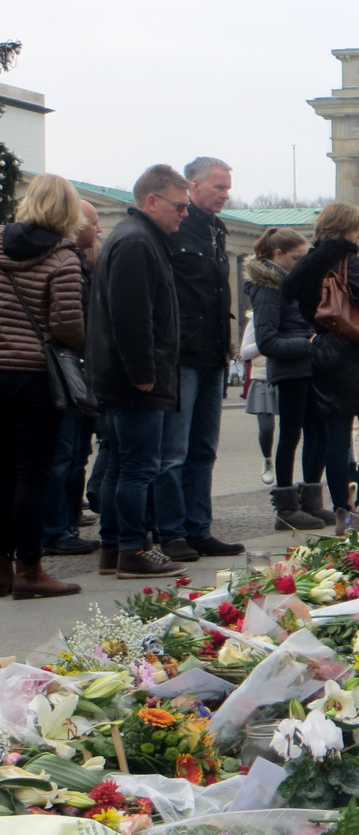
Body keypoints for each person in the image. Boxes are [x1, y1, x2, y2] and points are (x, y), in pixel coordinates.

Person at [90, 164, 192, 579]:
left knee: (120, 464)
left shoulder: (132, 238)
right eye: (179, 206)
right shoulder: (137, 242)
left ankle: (113, 546)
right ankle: (132, 549)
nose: (184, 214)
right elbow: (132, 316)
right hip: (135, 376)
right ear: (152, 201)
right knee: (138, 467)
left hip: (120, 373)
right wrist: (143, 371)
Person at [282, 203, 359, 535]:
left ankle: (341, 512)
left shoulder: (307, 267)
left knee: (337, 439)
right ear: (345, 230)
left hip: (324, 353)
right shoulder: (348, 262)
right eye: (356, 229)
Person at [0, 175, 86, 598]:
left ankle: (0, 568)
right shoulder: (63, 258)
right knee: (31, 476)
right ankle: (30, 571)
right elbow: (66, 325)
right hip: (34, 377)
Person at [154, 156, 243, 563]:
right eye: (219, 187)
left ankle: (199, 528)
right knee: (174, 450)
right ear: (193, 185)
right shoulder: (175, 228)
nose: (226, 194)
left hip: (212, 353)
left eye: (227, 187)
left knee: (204, 449)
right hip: (183, 352)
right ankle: (171, 532)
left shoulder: (217, 229)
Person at [245, 227, 334, 530]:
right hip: (291, 368)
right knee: (291, 435)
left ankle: (310, 501)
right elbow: (268, 340)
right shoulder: (268, 286)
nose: (301, 263)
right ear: (278, 254)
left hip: (307, 366)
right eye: (296, 258)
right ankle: (286, 506)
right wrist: (308, 344)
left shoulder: (288, 283)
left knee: (318, 432)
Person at [40, 199, 101, 557]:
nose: (97, 231)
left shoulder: (79, 263)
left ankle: (67, 522)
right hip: (65, 369)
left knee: (75, 453)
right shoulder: (66, 263)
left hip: (75, 368)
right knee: (63, 454)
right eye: (93, 224)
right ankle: (56, 529)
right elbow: (68, 323)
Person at [237, 311, 277, 487]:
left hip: (289, 375)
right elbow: (244, 353)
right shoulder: (256, 319)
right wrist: (266, 343)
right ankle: (267, 459)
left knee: (294, 431)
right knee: (266, 427)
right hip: (263, 378)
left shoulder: (292, 313)